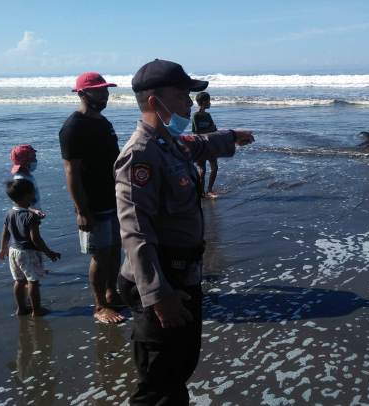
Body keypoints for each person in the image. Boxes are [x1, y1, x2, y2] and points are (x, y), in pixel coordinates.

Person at [115, 59, 254, 404]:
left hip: (183, 274)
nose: (188, 105)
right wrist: (158, 295)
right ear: (154, 102)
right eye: (181, 97)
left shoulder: (169, 142)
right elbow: (135, 231)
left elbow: (198, 144)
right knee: (159, 384)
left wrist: (231, 137)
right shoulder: (140, 154)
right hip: (161, 280)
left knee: (180, 368)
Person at [58, 72, 124, 324]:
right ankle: (99, 307)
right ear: (82, 93)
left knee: (116, 248)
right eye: (98, 91)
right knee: (100, 254)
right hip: (92, 203)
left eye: (105, 90)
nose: (104, 95)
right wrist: (81, 210)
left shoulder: (104, 123)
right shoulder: (73, 127)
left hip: (114, 198)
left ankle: (112, 293)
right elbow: (71, 171)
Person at [0, 179, 61, 317]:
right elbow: (35, 239)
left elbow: (5, 232)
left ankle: (20, 309)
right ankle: (36, 310)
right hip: (28, 253)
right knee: (33, 281)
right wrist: (49, 253)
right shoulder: (30, 217)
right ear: (28, 195)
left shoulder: (9, 213)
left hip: (13, 251)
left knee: (19, 281)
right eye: (33, 192)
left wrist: (3, 248)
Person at [192, 92, 219, 198]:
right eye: (209, 100)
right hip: (200, 145)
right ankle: (201, 192)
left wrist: (211, 130)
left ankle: (209, 190)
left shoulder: (208, 115)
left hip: (210, 144)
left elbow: (214, 129)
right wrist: (210, 129)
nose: (210, 103)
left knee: (215, 167)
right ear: (203, 102)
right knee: (202, 170)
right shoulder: (196, 116)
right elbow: (196, 131)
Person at [10, 144, 45, 218]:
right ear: (26, 162)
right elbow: (19, 203)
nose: (36, 160)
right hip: (24, 215)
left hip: (30, 213)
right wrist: (34, 211)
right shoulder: (21, 179)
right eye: (34, 158)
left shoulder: (27, 176)